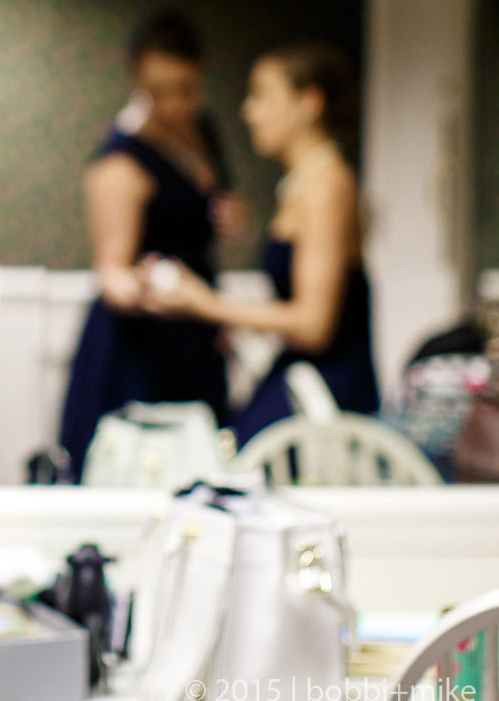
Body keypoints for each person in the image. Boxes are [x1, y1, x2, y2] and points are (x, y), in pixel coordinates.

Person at [142, 42, 379, 443]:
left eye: (263, 96)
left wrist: (206, 304)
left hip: (324, 391)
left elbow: (314, 325)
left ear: (308, 103)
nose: (249, 111)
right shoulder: (302, 184)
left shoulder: (326, 188)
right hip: (299, 372)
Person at [58, 10, 242, 478]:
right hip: (142, 345)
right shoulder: (121, 161)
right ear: (138, 82)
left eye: (186, 89)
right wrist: (137, 286)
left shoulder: (205, 134)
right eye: (159, 92)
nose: (175, 104)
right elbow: (112, 270)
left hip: (195, 335)